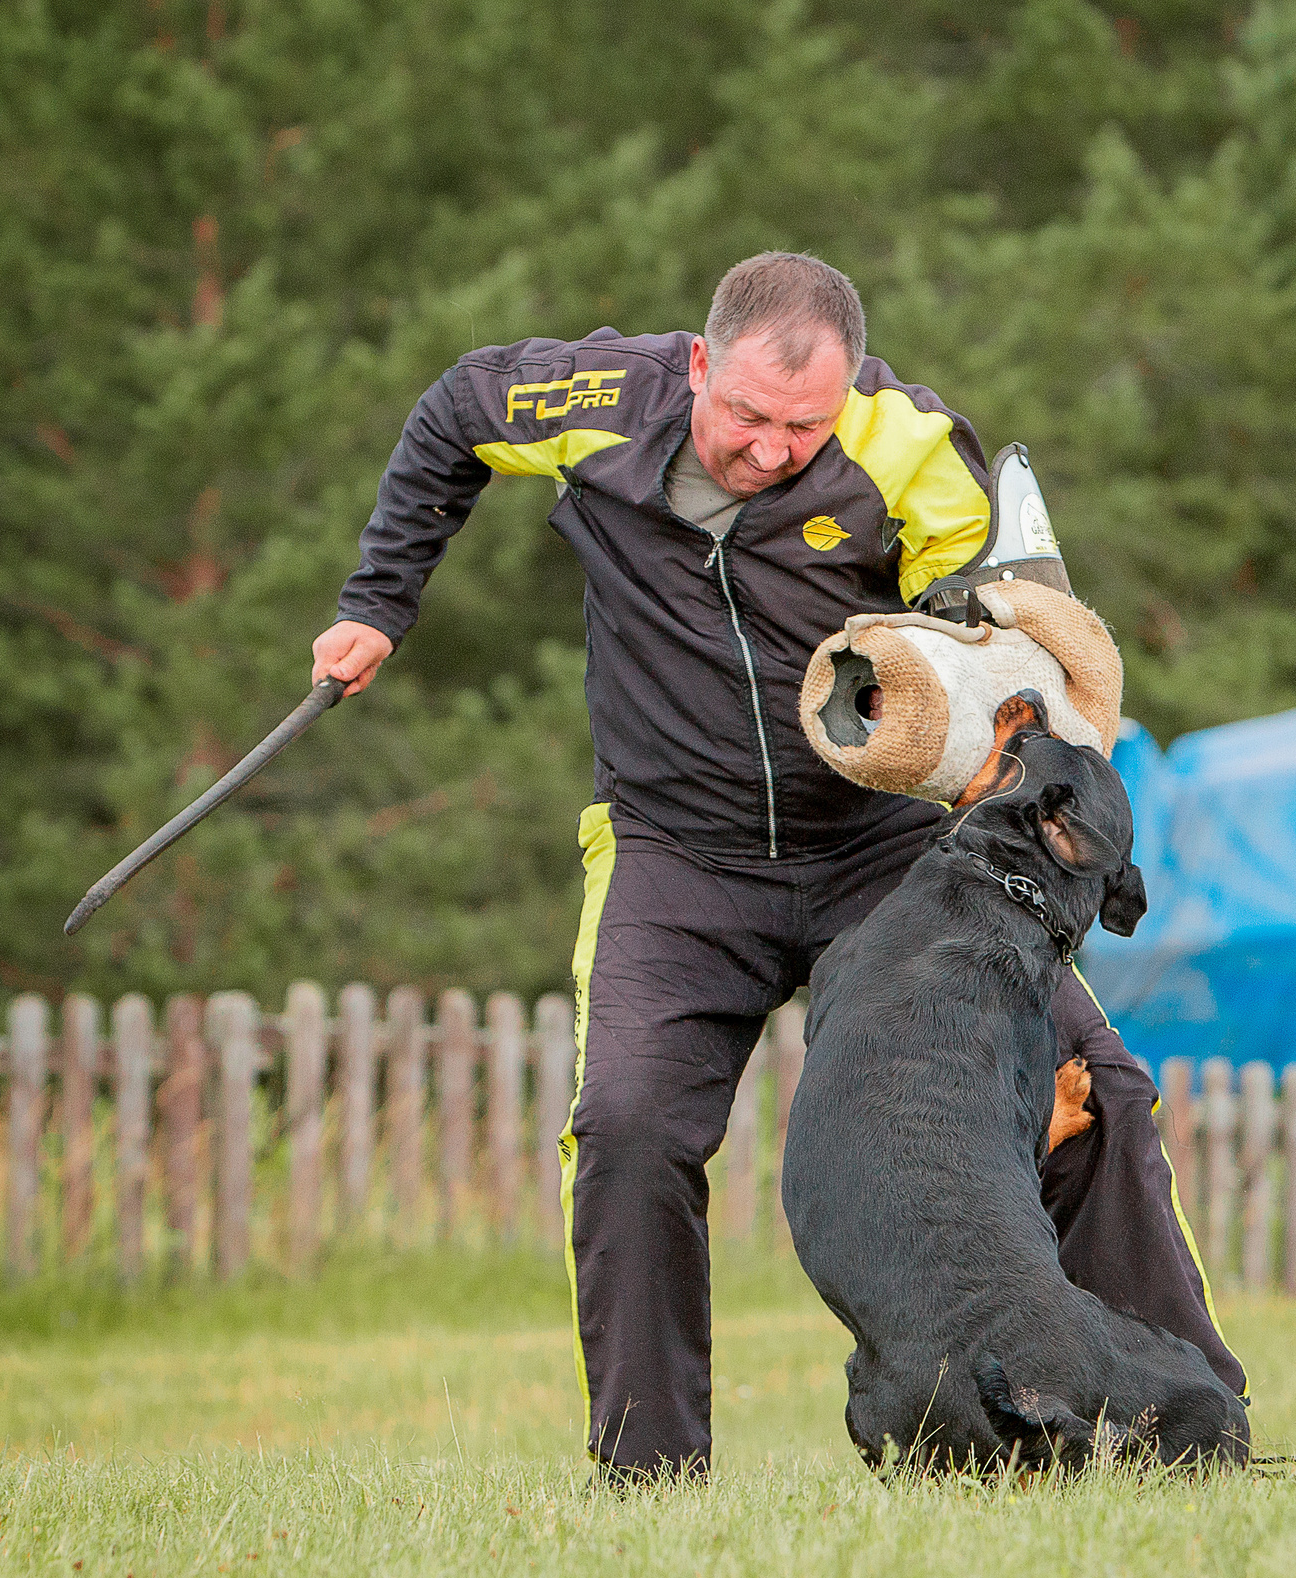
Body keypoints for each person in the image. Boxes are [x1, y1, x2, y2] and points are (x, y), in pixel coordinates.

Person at [315, 251, 1243, 1480]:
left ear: (849, 389)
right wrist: (382, 598)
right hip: (672, 850)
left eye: (801, 428)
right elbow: (451, 414)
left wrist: (990, 653)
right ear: (698, 363)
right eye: (745, 415)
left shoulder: (908, 445)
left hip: (888, 855)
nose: (766, 448)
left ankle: (1180, 1425)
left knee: (1098, 1086)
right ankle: (649, 1478)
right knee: (630, 1124)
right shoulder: (592, 399)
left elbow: (999, 631)